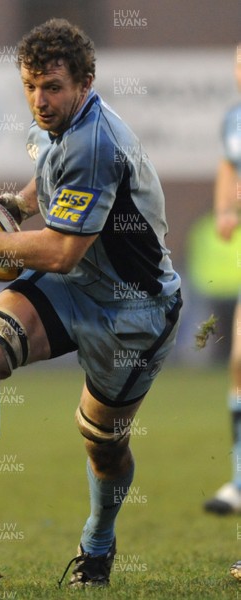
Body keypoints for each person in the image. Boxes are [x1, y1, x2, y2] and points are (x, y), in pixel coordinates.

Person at [0, 18, 182, 587]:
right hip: (76, 289)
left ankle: (98, 545)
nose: (39, 100)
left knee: (103, 446)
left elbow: (58, 253)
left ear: (85, 82)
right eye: (30, 86)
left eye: (52, 87)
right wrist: (12, 205)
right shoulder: (55, 129)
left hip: (135, 313)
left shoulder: (96, 143)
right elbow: (46, 177)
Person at [204, 45, 241, 515]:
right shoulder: (234, 118)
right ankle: (238, 480)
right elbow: (228, 162)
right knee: (239, 360)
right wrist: (224, 207)